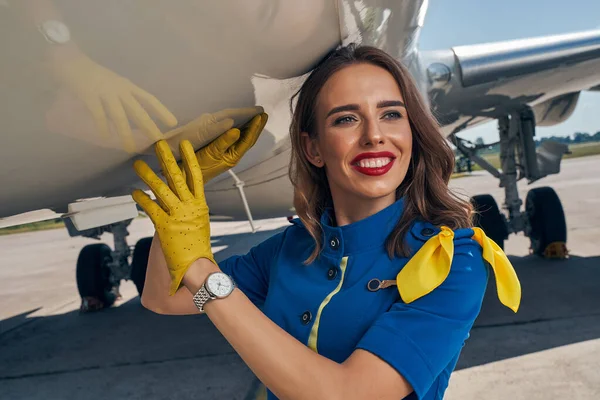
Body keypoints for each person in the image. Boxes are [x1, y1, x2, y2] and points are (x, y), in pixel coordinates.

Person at [131, 44, 522, 400]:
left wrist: (204, 273)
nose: (374, 135)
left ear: (411, 132)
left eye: (390, 114)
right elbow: (163, 298)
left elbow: (347, 394)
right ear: (313, 148)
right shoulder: (290, 250)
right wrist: (180, 196)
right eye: (346, 119)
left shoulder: (452, 259)